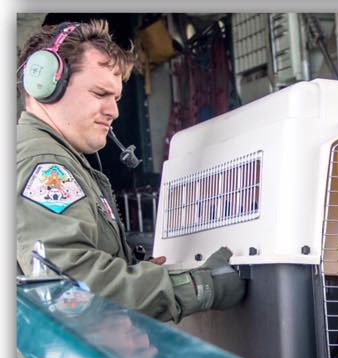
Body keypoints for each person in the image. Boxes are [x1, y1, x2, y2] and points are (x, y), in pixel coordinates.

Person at [16, 19, 244, 322]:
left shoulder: (55, 157)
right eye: (100, 94)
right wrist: (199, 286)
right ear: (45, 86)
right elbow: (69, 286)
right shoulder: (42, 164)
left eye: (117, 98)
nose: (114, 111)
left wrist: (141, 272)